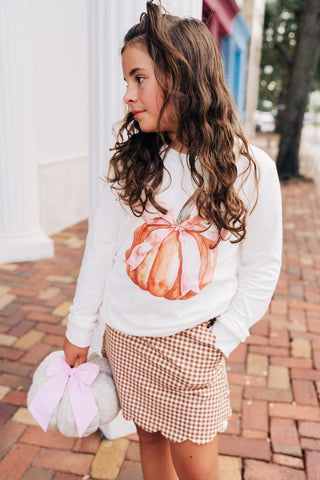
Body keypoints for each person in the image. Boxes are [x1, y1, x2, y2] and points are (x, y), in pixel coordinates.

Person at [63, 2, 282, 479]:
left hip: (191, 347)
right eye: (126, 81)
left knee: (199, 474)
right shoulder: (136, 163)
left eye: (138, 78)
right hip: (125, 337)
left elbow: (263, 267)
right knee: (149, 443)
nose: (127, 94)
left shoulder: (250, 170)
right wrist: (80, 329)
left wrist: (220, 341)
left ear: (181, 75)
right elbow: (100, 250)